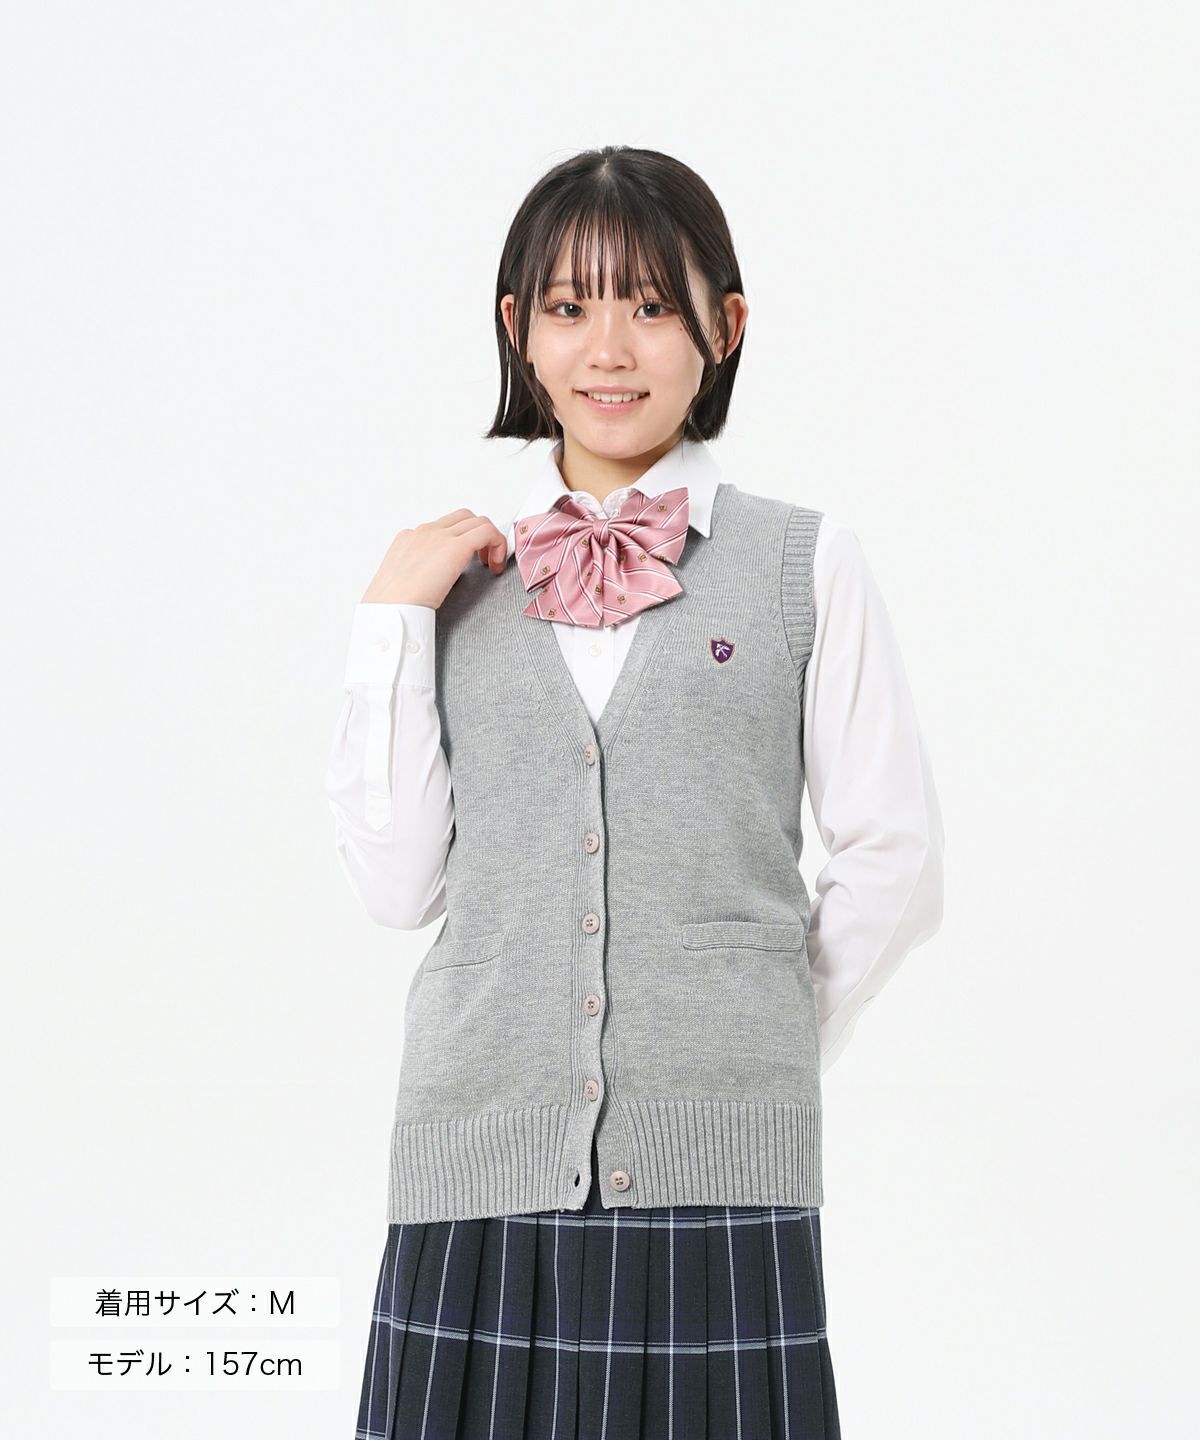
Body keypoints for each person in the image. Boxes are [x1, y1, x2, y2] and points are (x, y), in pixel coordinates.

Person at [325, 145, 945, 1439]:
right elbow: (399, 888)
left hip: (722, 1176)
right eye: (570, 307)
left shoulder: (803, 562)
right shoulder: (455, 586)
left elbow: (894, 856)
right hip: (474, 1159)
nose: (609, 349)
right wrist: (389, 623)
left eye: (654, 305)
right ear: (519, 329)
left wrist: (756, 1034)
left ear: (726, 325)